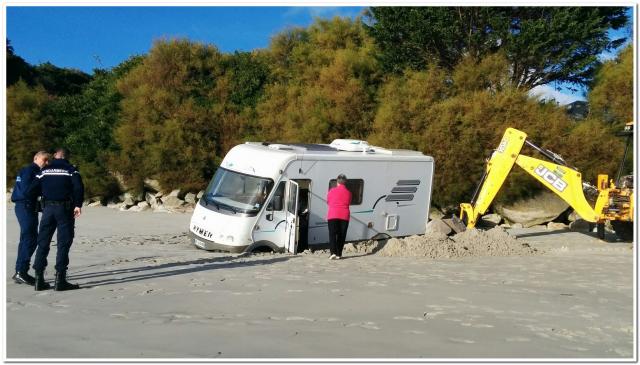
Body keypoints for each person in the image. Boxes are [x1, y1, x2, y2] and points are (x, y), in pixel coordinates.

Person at [27, 147, 84, 291]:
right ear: (67, 157)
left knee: (43, 243)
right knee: (63, 243)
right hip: (64, 209)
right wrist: (78, 205)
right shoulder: (71, 170)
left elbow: (31, 189)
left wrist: (36, 204)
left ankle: (38, 280)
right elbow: (78, 188)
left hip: (47, 209)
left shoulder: (44, 170)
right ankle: (60, 280)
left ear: (54, 156)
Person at [11, 151, 50, 285]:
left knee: (25, 238)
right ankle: (21, 271)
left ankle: (19, 271)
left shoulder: (28, 170)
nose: (46, 163)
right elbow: (28, 191)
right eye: (44, 160)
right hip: (25, 206)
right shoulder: (31, 171)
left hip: (25, 206)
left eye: (48, 161)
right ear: (36, 158)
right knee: (30, 238)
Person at [326, 174, 352, 260]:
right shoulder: (349, 193)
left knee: (332, 234)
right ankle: (339, 253)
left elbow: (328, 202)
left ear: (337, 182)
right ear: (345, 183)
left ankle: (333, 252)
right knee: (342, 235)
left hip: (333, 214)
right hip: (344, 216)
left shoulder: (331, 191)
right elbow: (348, 203)